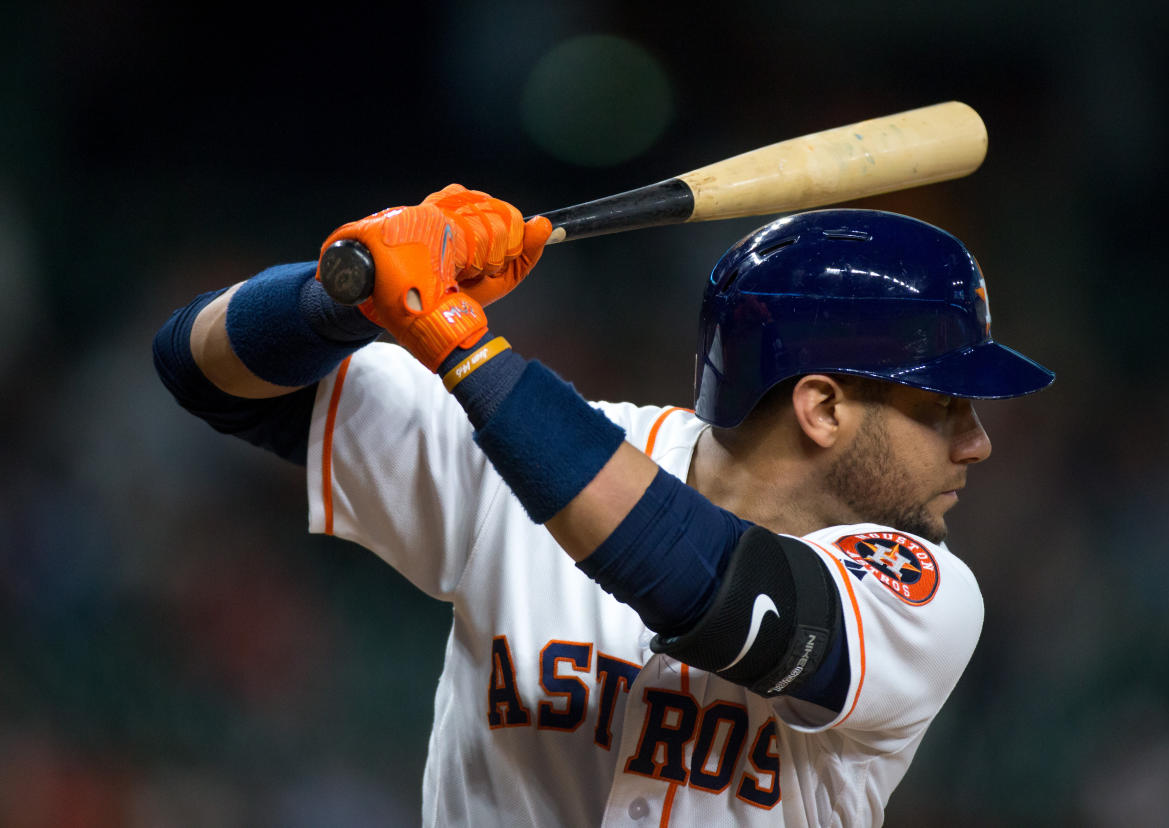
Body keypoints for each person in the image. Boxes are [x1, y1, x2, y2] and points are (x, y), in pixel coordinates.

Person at [153, 184, 1053, 826]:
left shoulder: (926, 595)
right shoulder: (533, 441)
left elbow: (711, 590)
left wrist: (460, 339)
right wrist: (348, 291)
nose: (974, 442)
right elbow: (202, 369)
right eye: (941, 408)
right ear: (821, 408)